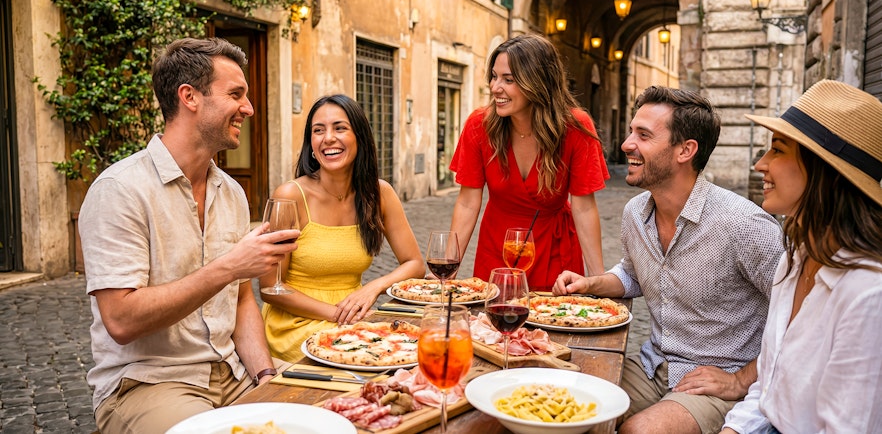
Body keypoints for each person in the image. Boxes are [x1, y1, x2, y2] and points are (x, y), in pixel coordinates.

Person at [78, 38, 298, 434]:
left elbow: (242, 298)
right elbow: (121, 320)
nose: (248, 108)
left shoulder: (230, 191)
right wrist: (229, 266)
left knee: (335, 413)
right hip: (149, 382)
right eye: (236, 94)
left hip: (232, 372)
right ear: (189, 97)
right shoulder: (119, 190)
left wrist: (265, 373)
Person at [553, 86, 784, 434]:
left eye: (643, 135)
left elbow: (797, 314)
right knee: (564, 405)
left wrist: (741, 380)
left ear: (685, 150)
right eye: (632, 132)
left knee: (640, 431)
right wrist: (592, 284)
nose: (626, 144)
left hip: (714, 383)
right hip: (653, 366)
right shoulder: (635, 213)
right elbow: (633, 274)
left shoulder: (744, 225)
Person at [720, 80, 882, 433]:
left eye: (777, 150)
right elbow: (770, 390)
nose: (760, 164)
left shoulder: (868, 294)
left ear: (824, 172)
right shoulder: (795, 258)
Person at [259, 94, 425, 362]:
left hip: (351, 323)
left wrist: (373, 287)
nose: (328, 138)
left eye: (339, 128)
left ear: (359, 137)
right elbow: (270, 287)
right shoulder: (290, 195)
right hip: (297, 325)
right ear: (311, 144)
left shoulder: (379, 193)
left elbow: (415, 264)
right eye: (318, 130)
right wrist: (335, 315)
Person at [449, 34, 609, 292]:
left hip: (555, 253)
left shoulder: (576, 128)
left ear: (538, 82)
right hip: (496, 249)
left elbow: (584, 208)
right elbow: (468, 203)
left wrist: (599, 281)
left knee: (557, 322)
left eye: (508, 79)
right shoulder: (479, 125)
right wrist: (448, 271)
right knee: (493, 328)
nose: (495, 87)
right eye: (494, 76)